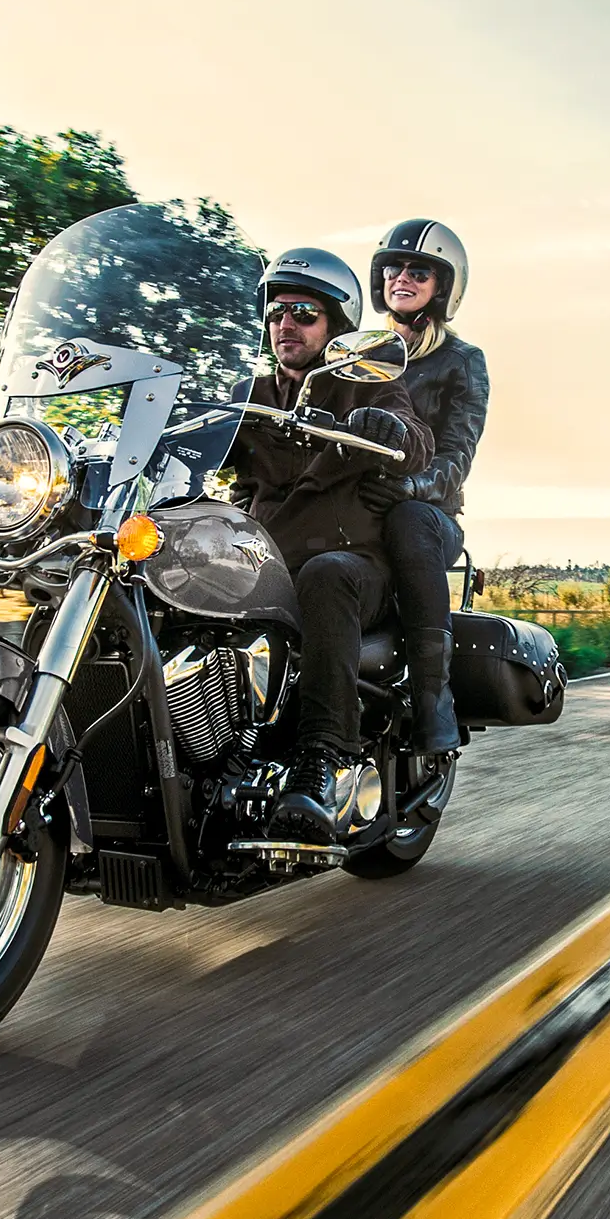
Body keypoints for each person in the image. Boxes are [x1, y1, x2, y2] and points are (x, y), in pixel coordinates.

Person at [227, 246, 432, 843]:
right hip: (265, 562)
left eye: (302, 312)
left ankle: (323, 762)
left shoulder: (364, 384)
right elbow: (226, 469)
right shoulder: (249, 392)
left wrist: (390, 428)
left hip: (353, 567)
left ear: (336, 327)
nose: (283, 323)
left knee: (326, 574)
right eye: (274, 313)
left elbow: (415, 441)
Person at [366, 220, 490, 754]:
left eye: (420, 270)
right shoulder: (356, 354)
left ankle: (432, 695)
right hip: (360, 505)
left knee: (408, 521)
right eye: (394, 267)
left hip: (430, 517)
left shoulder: (461, 362)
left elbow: (457, 454)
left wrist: (411, 489)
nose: (403, 277)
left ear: (443, 287)